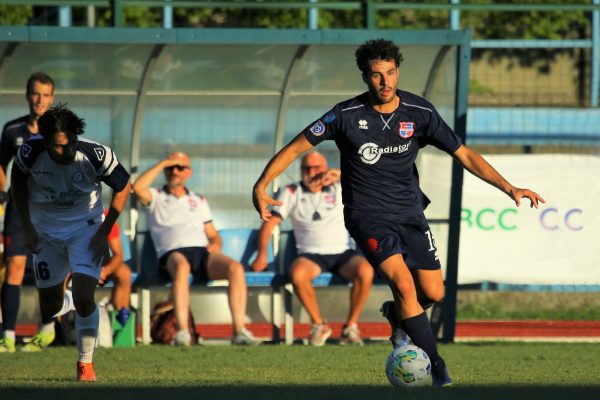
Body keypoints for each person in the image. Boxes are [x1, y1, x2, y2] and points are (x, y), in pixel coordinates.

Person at [252, 39, 545, 387]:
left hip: (410, 213)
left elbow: (464, 155)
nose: (385, 82)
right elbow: (296, 146)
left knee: (432, 294)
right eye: (376, 75)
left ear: (397, 71)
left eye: (390, 73)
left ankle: (397, 316)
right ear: (365, 77)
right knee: (403, 285)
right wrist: (261, 184)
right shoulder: (345, 115)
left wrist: (509, 187)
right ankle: (436, 369)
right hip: (367, 216)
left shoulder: (420, 112)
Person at [10, 104, 131, 381]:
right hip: (46, 234)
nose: (65, 151)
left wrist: (104, 231)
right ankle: (68, 301)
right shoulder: (30, 152)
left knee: (85, 296)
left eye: (70, 144)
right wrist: (27, 229)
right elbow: (16, 185)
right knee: (50, 308)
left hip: (85, 229)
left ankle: (85, 365)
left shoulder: (96, 154)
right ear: (46, 140)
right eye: (58, 146)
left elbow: (124, 186)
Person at [132, 151, 260, 346]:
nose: (175, 171)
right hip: (172, 253)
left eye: (180, 167)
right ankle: (183, 332)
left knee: (236, 268)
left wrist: (216, 243)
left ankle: (239, 330)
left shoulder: (198, 199)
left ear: (189, 172)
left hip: (200, 252)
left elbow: (212, 233)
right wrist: (164, 161)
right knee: (181, 268)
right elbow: (137, 187)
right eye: (170, 168)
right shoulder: (156, 196)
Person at [251, 151, 373, 346]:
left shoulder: (340, 187)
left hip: (343, 253)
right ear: (300, 171)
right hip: (310, 254)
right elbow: (269, 223)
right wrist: (261, 254)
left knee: (365, 270)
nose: (312, 172)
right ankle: (319, 324)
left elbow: (372, 181)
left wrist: (342, 174)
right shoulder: (291, 191)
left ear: (326, 169)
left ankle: (350, 326)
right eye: (307, 168)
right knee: (297, 274)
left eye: (317, 168)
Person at [0, 72, 59, 353]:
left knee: (44, 270)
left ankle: (46, 330)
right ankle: (8, 337)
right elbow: (1, 165)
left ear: (52, 98)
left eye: (46, 95)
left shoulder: (59, 132)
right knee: (14, 267)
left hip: (48, 212)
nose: (40, 100)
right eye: (36, 94)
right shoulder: (12, 130)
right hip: (18, 210)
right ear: (27, 95)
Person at [99, 211, 132, 312]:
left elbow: (118, 255)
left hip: (98, 263)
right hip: (73, 260)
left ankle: (121, 321)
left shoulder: (107, 217)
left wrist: (104, 272)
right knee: (63, 273)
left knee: (124, 273)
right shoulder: (71, 214)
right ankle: (55, 321)